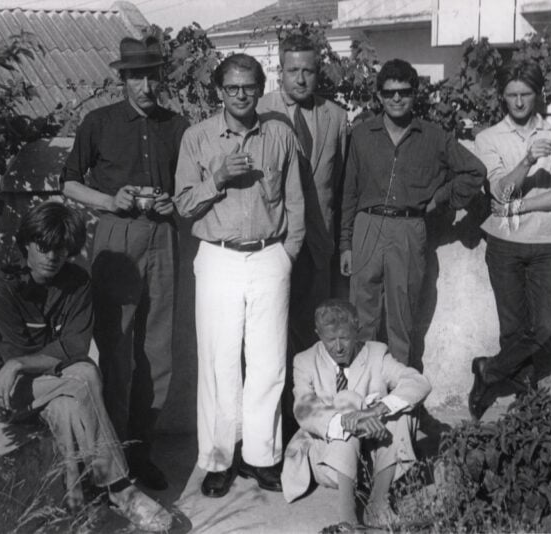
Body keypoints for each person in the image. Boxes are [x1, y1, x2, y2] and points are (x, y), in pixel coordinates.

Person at [0, 202, 172, 532]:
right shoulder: (3, 285)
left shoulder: (77, 282)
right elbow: (22, 353)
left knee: (69, 406)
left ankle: (77, 512)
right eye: (44, 247)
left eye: (61, 249)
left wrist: (20, 363)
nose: (52, 256)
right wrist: (16, 363)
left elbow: (75, 346)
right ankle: (121, 489)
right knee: (83, 376)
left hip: (52, 386)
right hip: (6, 391)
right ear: (26, 243)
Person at [174, 53, 304, 498]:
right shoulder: (198, 138)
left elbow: (296, 202)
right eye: (232, 88)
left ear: (261, 87)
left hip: (269, 255)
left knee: (268, 362)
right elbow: (183, 205)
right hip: (218, 256)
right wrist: (218, 179)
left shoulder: (279, 134)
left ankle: (262, 456)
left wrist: (287, 254)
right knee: (218, 362)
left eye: (249, 86)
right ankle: (217, 459)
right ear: (219, 91)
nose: (242, 95)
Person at [61, 36, 189, 489]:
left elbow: (190, 186)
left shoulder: (177, 125)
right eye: (137, 76)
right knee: (115, 354)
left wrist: (174, 201)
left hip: (164, 237)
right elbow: (70, 184)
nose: (146, 85)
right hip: (117, 238)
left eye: (153, 75)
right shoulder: (98, 122)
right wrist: (111, 200)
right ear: (123, 78)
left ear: (161, 78)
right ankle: (108, 463)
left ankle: (141, 454)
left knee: (157, 355)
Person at [340, 59, 486, 368]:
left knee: (402, 319)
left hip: (409, 229)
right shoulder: (362, 135)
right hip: (366, 227)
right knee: (362, 318)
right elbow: (349, 192)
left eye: (404, 92)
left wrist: (441, 199)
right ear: (379, 96)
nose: (396, 99)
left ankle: (398, 404)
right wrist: (346, 244)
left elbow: (475, 172)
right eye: (389, 93)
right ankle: (363, 397)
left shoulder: (434, 136)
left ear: (414, 94)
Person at [469, 60, 551, 420]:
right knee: (513, 328)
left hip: (546, 241)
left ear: (538, 94)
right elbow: (500, 191)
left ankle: (488, 371)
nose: (518, 103)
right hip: (504, 243)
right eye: (511, 95)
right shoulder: (487, 138)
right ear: (502, 96)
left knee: (546, 327)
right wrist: (528, 160)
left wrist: (522, 205)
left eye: (525, 95)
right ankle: (521, 406)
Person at [257, 33, 348, 443]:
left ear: (318, 72)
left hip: (319, 247)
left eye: (308, 70)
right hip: (274, 245)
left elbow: (340, 184)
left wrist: (339, 243)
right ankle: (272, 429)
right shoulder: (259, 112)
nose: (300, 78)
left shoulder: (336, 116)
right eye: (292, 70)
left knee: (315, 337)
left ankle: (311, 428)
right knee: (270, 340)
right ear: (280, 70)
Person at [281, 299, 431, 528]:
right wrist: (348, 421)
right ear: (318, 334)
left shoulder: (376, 353)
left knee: (402, 409)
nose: (338, 347)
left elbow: (417, 382)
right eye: (330, 339)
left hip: (373, 461)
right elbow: (303, 409)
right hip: (329, 461)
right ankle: (347, 517)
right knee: (346, 400)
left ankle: (378, 504)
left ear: (357, 331)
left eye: (345, 337)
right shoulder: (304, 361)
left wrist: (376, 410)